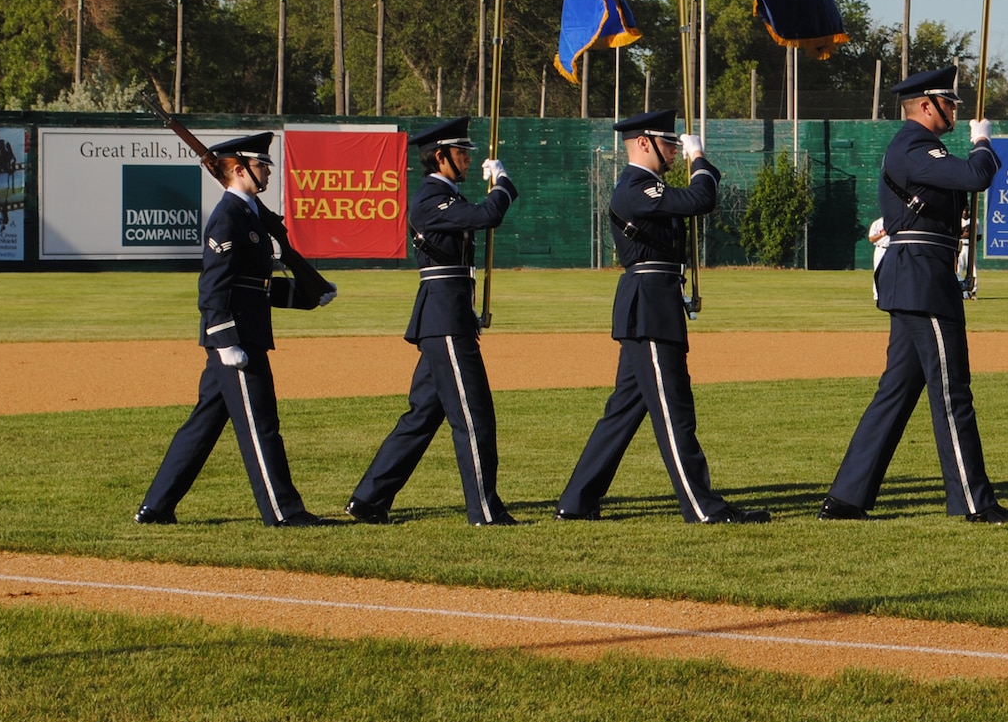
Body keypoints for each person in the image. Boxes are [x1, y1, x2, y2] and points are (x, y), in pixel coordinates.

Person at [821, 67, 1008, 523]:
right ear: (927, 105)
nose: (955, 109)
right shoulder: (914, 145)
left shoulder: (922, 148)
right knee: (952, 391)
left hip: (921, 277)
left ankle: (846, 498)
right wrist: (983, 142)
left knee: (895, 392)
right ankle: (973, 502)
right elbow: (976, 176)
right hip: (923, 280)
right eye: (949, 102)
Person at [556, 111, 768, 524]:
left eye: (676, 144)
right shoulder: (635, 188)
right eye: (668, 143)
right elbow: (701, 200)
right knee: (675, 410)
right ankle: (703, 508)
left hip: (657, 301)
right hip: (649, 306)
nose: (673, 149)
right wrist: (700, 160)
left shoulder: (652, 187)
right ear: (643, 144)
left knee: (622, 412)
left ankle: (576, 501)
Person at [136, 132, 336, 527]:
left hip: (247, 331)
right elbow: (214, 287)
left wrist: (308, 294)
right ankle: (283, 512)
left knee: (203, 426)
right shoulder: (229, 216)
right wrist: (225, 340)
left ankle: (156, 506)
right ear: (241, 169)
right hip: (237, 339)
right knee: (262, 425)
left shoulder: (249, 214)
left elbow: (254, 286)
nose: (267, 171)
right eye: (261, 165)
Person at [347, 118, 520, 526]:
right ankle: (484, 509)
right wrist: (503, 184)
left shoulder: (448, 196)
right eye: (461, 153)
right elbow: (487, 215)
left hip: (449, 315)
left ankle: (369, 499)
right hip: (444, 320)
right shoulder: (430, 198)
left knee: (423, 415)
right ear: (440, 157)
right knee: (473, 414)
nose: (467, 159)